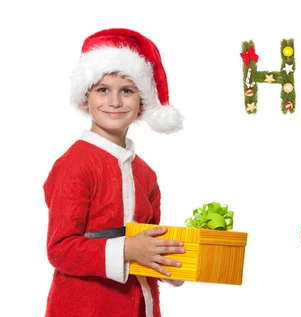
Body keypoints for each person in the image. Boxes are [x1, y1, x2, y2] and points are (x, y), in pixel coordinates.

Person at [43, 28, 186, 317]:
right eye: (103, 89)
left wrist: (175, 260)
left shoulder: (146, 174)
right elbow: (60, 249)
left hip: (141, 306)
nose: (115, 102)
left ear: (142, 102)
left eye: (127, 91)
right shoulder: (75, 164)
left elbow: (150, 242)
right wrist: (125, 250)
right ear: (85, 97)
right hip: (85, 307)